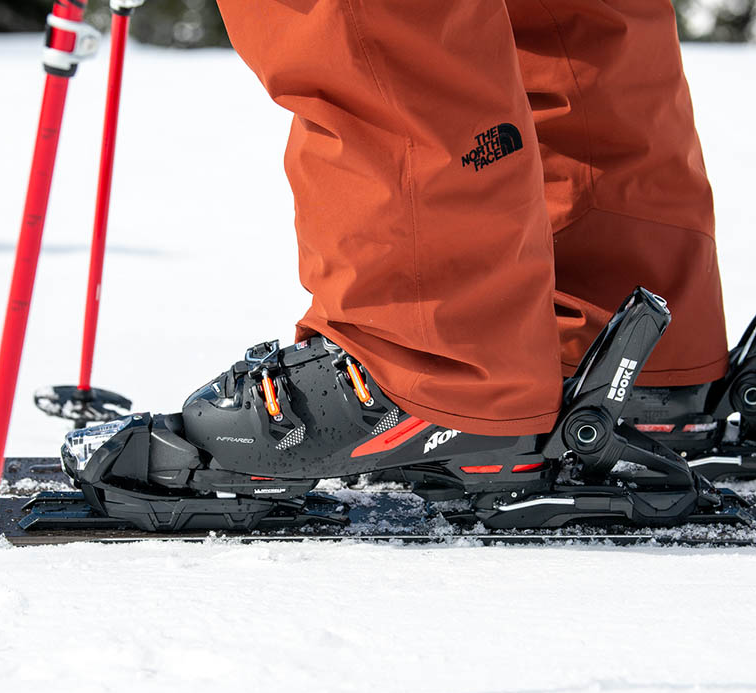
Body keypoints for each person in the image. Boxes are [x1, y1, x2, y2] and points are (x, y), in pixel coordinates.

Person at [208, 0, 727, 437]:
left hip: (437, 379)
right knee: (566, 17)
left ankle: (427, 370)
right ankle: (621, 354)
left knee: (368, 18)